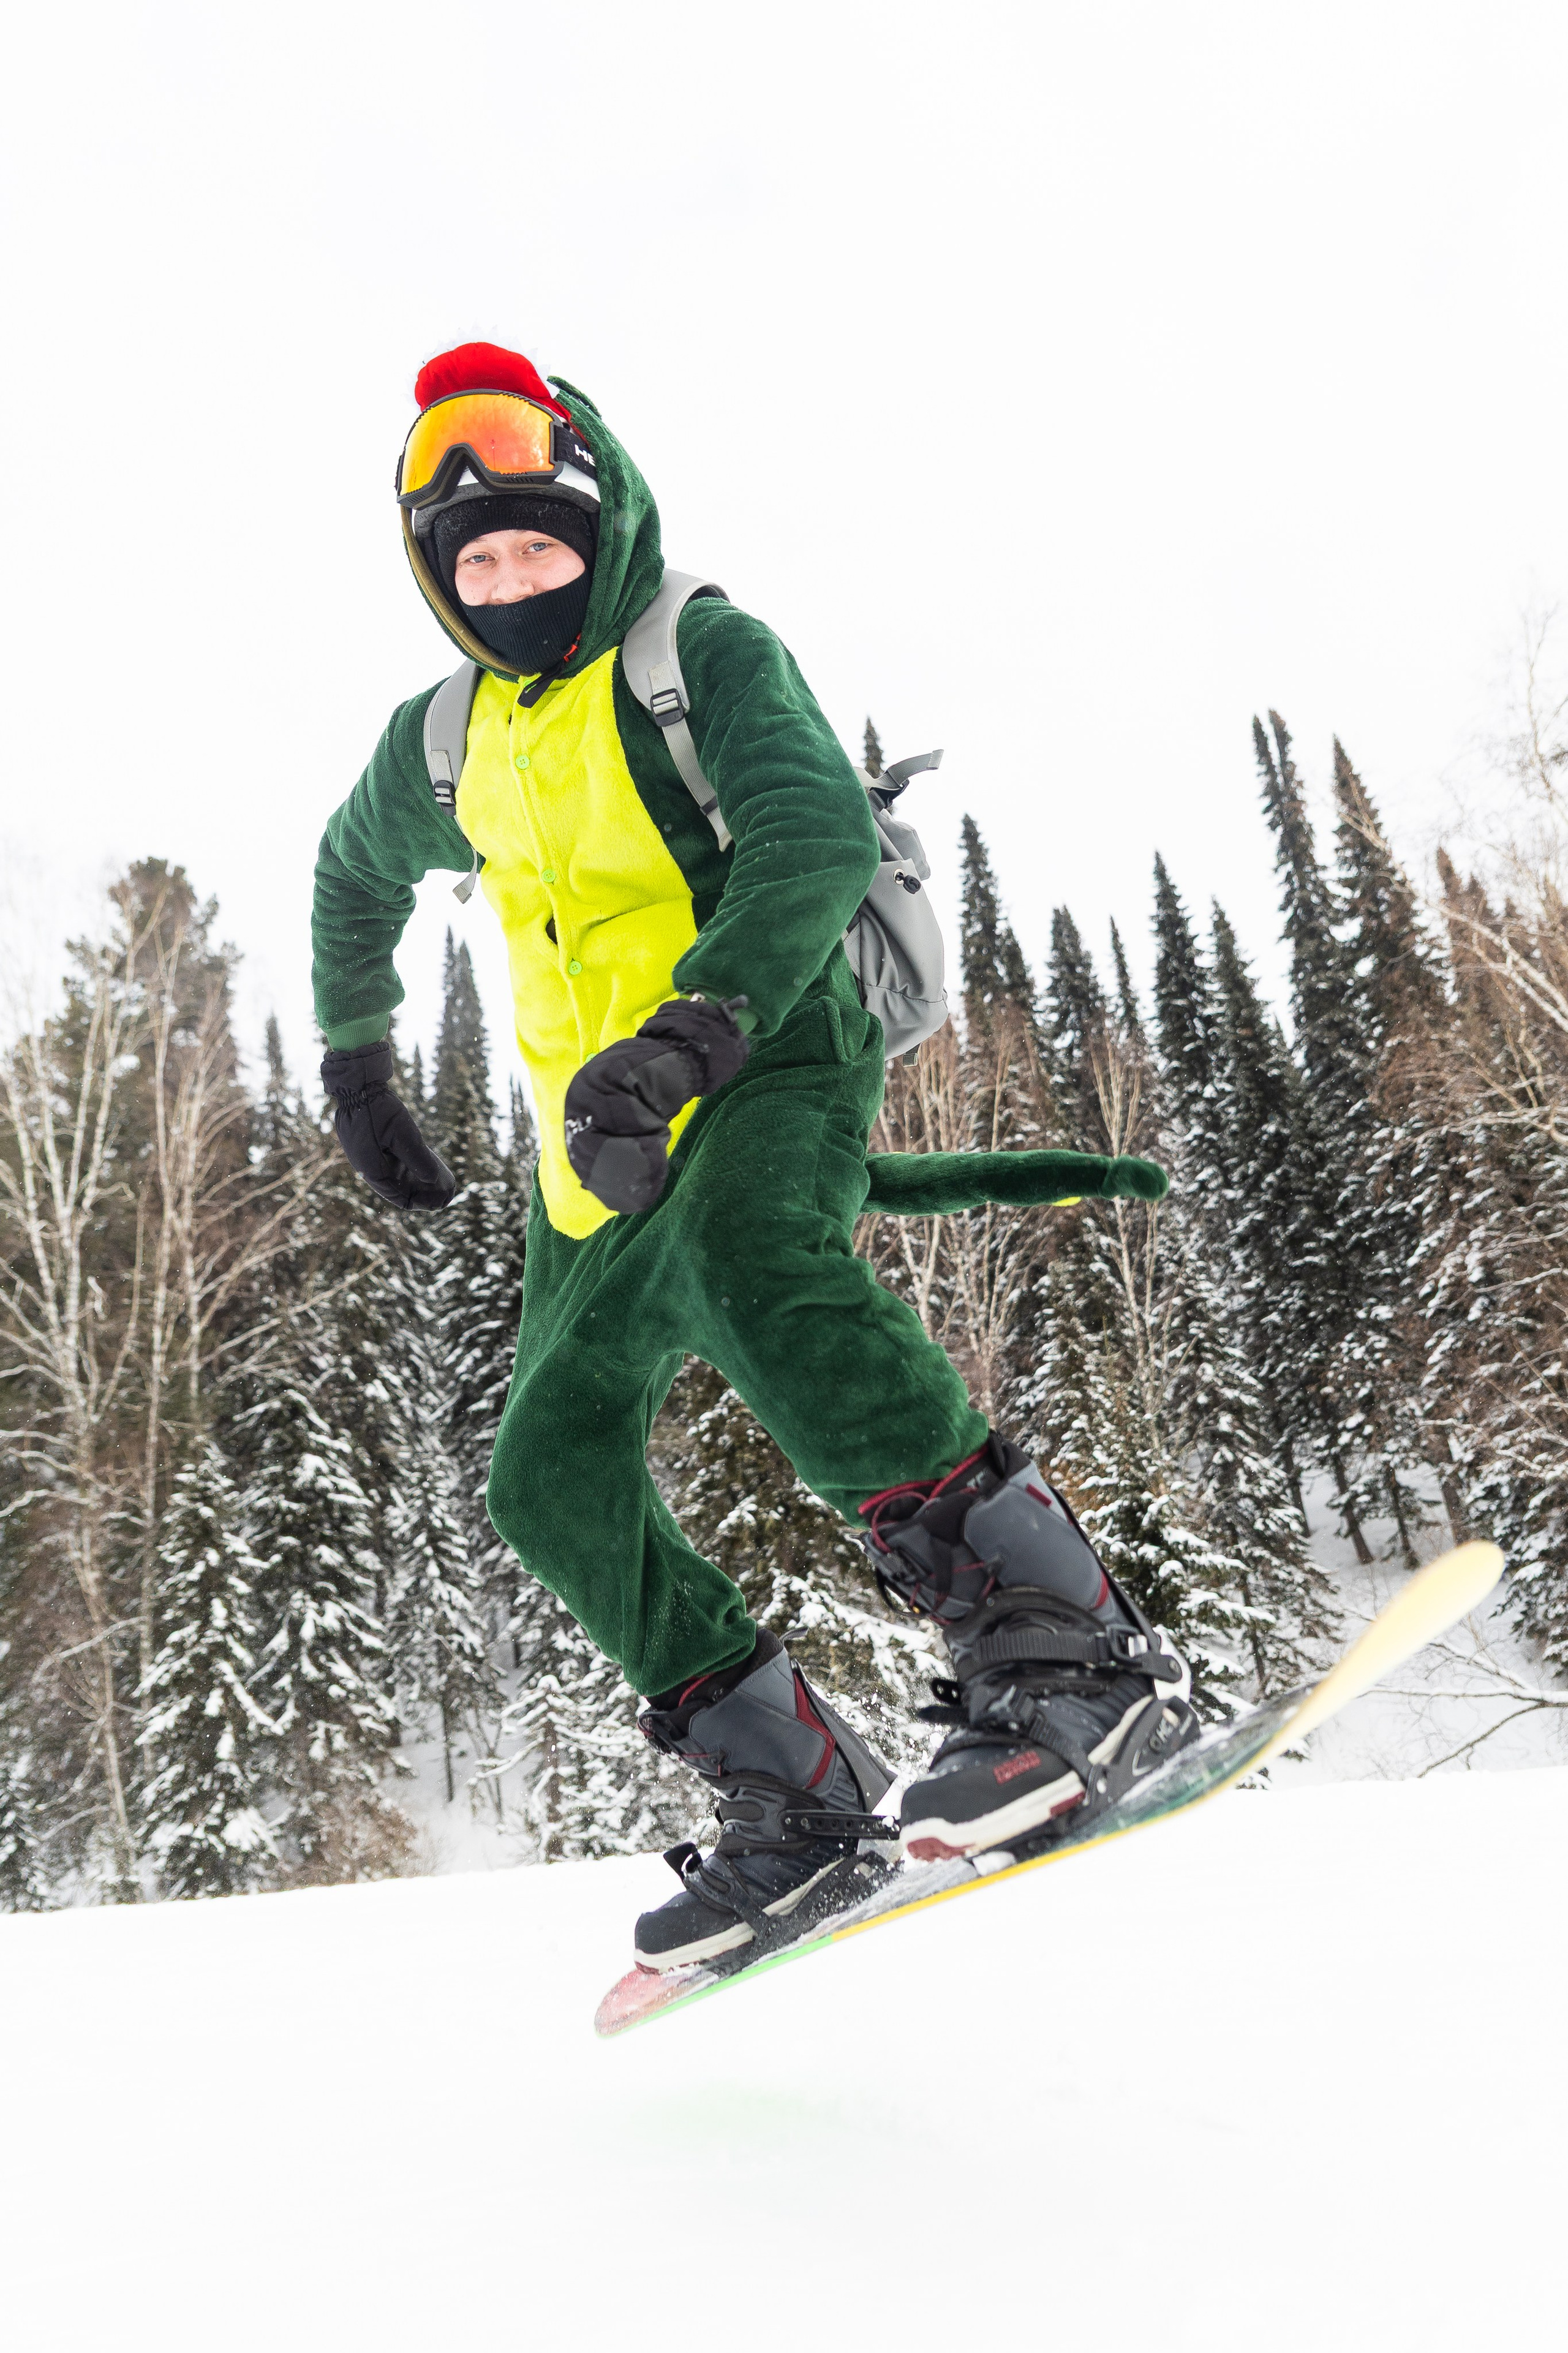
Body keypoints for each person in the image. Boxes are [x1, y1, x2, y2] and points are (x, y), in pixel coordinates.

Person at [312, 341, 1193, 1972]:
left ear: (599, 520)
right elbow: (350, 870)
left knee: (751, 1263)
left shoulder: (697, 648)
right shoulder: (448, 738)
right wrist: (356, 1049)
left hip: (767, 1041)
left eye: (538, 547)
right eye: (477, 562)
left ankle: (1073, 1653)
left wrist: (695, 1029)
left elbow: (813, 833)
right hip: (598, 1147)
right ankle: (790, 1796)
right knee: (544, 1472)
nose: (511, 585)